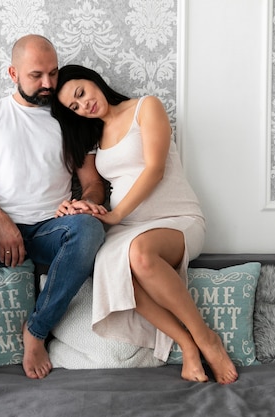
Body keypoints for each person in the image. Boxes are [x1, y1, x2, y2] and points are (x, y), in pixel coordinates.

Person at [0, 37, 107, 397]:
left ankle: (36, 330)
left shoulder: (72, 117)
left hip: (50, 231)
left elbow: (92, 185)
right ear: (13, 73)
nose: (47, 84)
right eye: (36, 75)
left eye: (53, 73)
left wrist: (84, 203)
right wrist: (1, 221)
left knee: (89, 228)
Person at [51, 65, 238, 385]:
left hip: (177, 220)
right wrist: (79, 206)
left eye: (81, 93)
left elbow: (154, 169)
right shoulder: (93, 137)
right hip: (128, 228)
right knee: (115, 265)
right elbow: (96, 188)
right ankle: (187, 345)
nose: (84, 106)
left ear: (93, 79)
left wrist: (115, 215)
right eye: (75, 107)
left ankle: (207, 339)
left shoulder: (145, 106)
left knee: (138, 255)